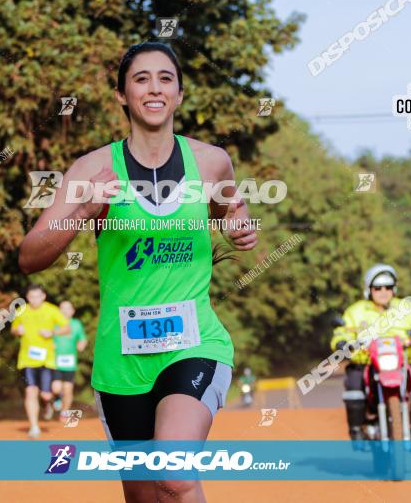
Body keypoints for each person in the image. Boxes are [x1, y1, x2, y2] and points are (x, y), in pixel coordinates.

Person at [19, 41, 258, 503]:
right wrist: (85, 210)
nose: (154, 88)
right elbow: (30, 256)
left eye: (165, 78)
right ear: (122, 95)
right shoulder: (91, 168)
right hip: (121, 360)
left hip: (194, 343)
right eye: (141, 79)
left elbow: (233, 206)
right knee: (147, 495)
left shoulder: (211, 161)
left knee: (174, 474)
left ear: (179, 95)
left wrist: (236, 226)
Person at [330, 264, 411, 447]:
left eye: (388, 287)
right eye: (377, 287)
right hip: (366, 363)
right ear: (369, 289)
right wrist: (342, 342)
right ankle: (356, 431)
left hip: (402, 363)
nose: (383, 291)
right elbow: (342, 332)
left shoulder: (406, 308)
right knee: (354, 388)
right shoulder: (356, 311)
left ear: (394, 288)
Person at [10, 284, 71, 439]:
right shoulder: (21, 311)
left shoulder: (52, 310)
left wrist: (52, 332)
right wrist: (18, 331)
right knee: (30, 391)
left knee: (45, 395)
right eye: (31, 297)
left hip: (46, 359)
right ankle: (34, 426)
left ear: (43, 296)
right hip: (27, 360)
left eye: (37, 296)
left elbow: (67, 328)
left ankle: (48, 403)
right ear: (27, 297)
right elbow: (13, 329)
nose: (34, 300)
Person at [47, 300, 88, 420]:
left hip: (70, 363)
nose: (65, 311)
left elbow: (83, 338)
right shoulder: (54, 323)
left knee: (68, 389)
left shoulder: (76, 324)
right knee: (56, 388)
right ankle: (58, 398)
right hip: (55, 362)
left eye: (68, 308)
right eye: (62, 308)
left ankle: (64, 413)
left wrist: (81, 344)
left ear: (73, 311)